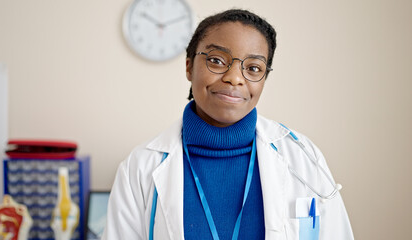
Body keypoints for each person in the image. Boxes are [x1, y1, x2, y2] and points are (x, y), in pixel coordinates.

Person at [102, 9, 354, 240]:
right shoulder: (140, 167)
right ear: (189, 66)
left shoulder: (303, 158)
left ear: (264, 78)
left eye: (254, 67)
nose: (234, 78)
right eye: (217, 61)